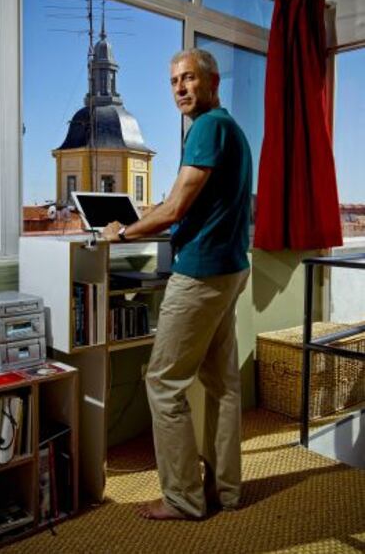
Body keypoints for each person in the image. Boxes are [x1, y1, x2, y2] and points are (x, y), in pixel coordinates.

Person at [103, 48, 252, 521]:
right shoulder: (230, 128)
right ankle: (226, 491)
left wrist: (122, 232)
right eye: (174, 81)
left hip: (202, 273)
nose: (180, 88)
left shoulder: (207, 128)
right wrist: (144, 217)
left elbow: (175, 208)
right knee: (222, 383)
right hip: (229, 267)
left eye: (189, 78)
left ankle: (183, 497)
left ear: (212, 83)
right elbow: (179, 204)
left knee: (163, 382)